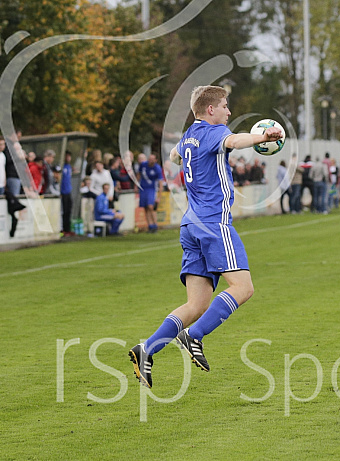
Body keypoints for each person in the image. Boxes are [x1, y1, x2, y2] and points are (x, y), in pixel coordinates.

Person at [128, 85, 284, 388]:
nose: (228, 111)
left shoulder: (188, 137)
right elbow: (235, 140)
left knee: (196, 305)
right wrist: (262, 137)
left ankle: (146, 348)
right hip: (214, 224)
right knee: (243, 288)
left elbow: (175, 156)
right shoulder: (214, 133)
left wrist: (185, 154)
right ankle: (194, 336)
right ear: (210, 110)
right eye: (225, 105)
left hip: (190, 227)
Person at [138, 153, 164, 233]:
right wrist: (137, 184)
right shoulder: (143, 165)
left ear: (155, 160)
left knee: (150, 206)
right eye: (150, 159)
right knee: (145, 207)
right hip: (143, 188)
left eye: (152, 159)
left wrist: (159, 197)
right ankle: (150, 226)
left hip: (151, 189)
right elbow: (138, 174)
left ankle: (155, 225)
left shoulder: (157, 168)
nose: (150, 160)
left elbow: (160, 183)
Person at [61, 151, 73, 235]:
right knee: (64, 211)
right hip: (63, 192)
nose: (68, 158)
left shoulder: (69, 167)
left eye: (69, 156)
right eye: (67, 156)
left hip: (69, 191)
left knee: (69, 210)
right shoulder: (61, 166)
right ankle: (63, 229)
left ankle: (68, 229)